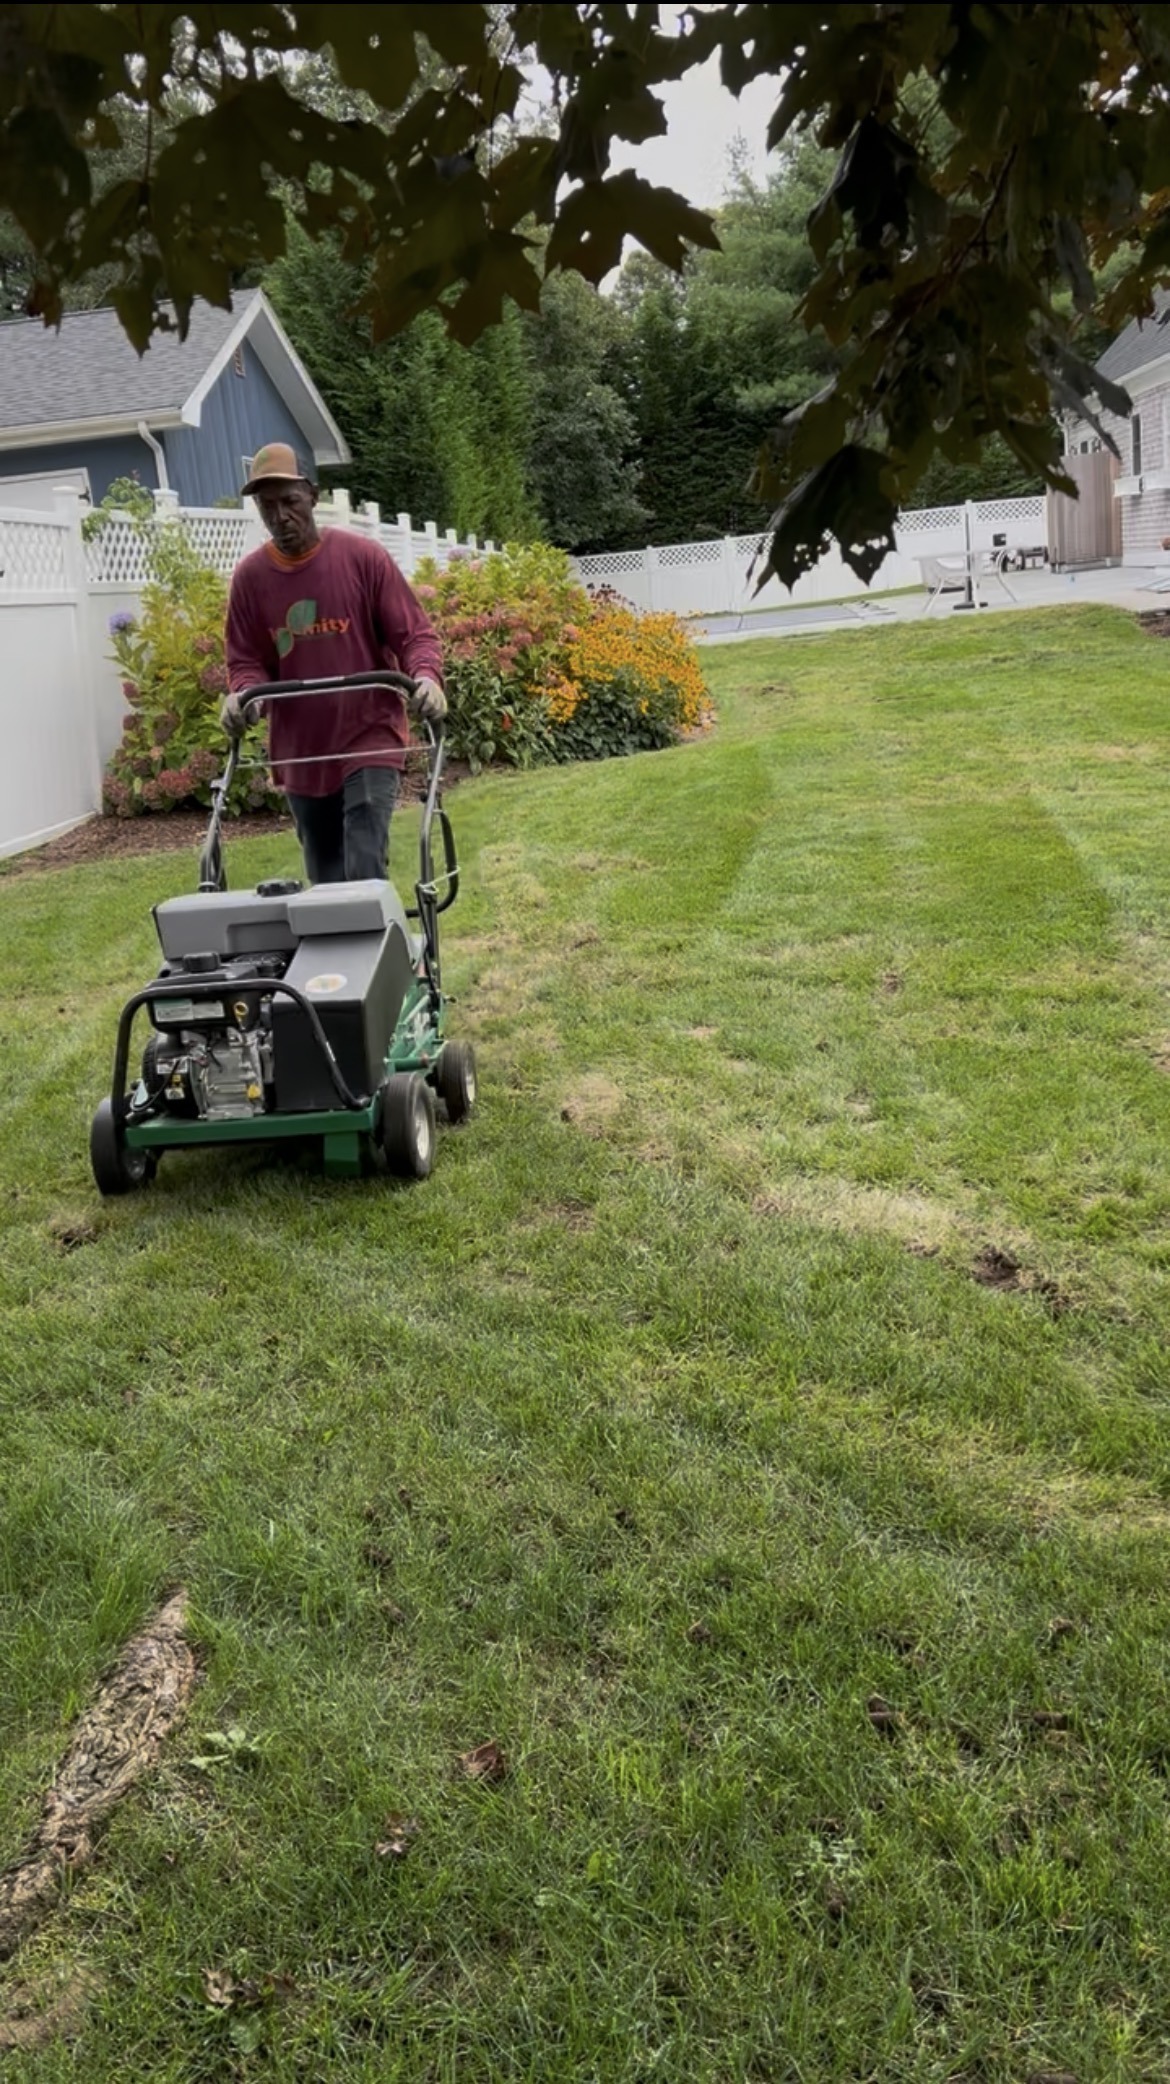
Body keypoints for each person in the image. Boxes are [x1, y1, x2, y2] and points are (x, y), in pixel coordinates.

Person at [222, 441, 447, 884]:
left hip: (370, 732)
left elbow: (414, 634)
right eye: (267, 507)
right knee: (325, 878)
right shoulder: (250, 580)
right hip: (302, 749)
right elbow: (246, 660)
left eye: (289, 502)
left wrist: (426, 677)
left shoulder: (362, 559)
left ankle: (377, 949)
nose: (280, 516)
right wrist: (245, 697)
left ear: (313, 496)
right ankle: (349, 946)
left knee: (364, 859)